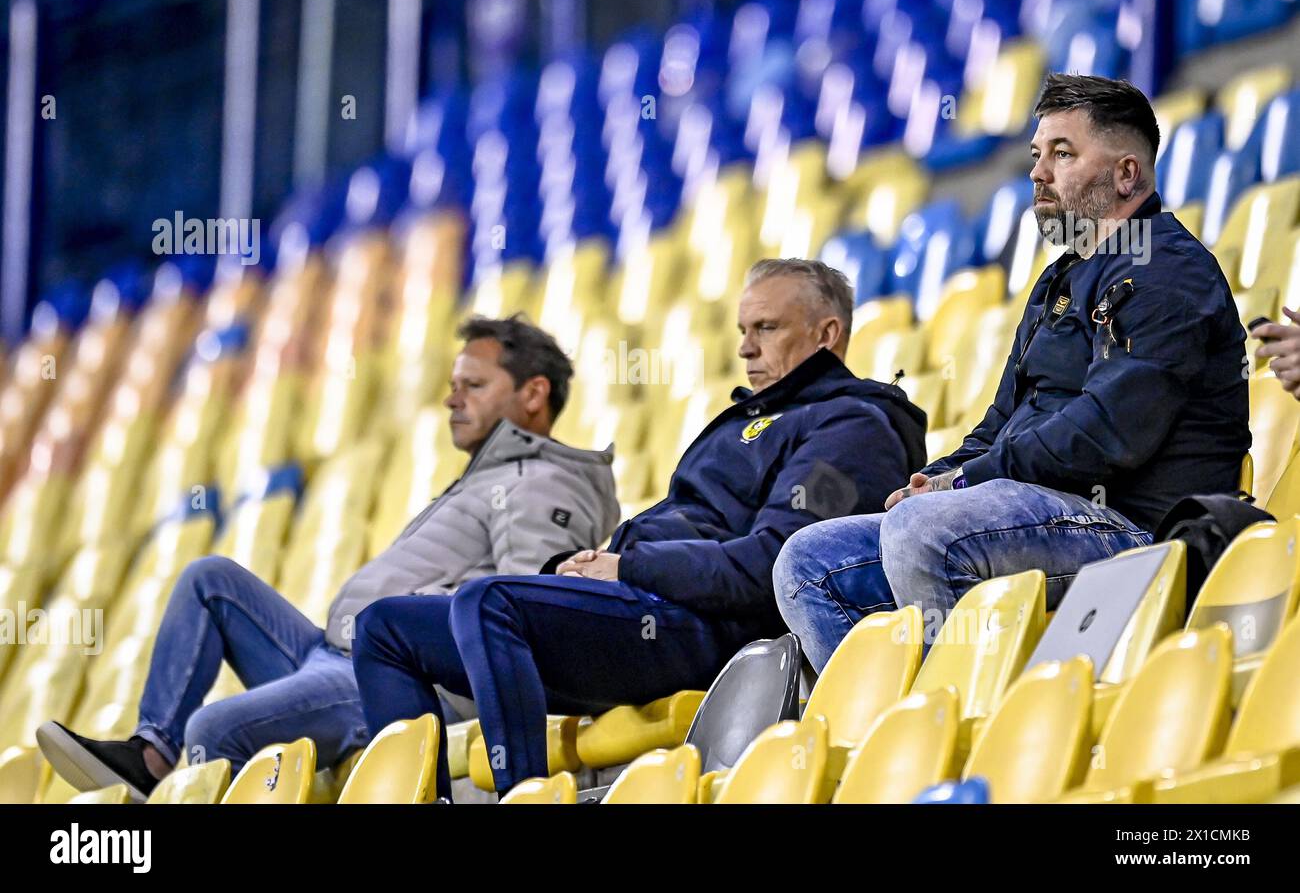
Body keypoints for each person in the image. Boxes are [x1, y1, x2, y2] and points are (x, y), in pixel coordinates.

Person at [350, 258, 928, 797]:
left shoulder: (855, 427)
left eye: (767, 328)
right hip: (642, 605)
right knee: (384, 627)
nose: (746, 348)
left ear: (827, 334)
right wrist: (587, 565)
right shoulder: (753, 417)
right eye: (742, 329)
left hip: (706, 628)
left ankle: (523, 799)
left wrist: (629, 566)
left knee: (489, 600)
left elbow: (771, 567)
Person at [774, 72, 1251, 672]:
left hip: (1136, 529)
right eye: (1036, 155)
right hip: (1034, 511)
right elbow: (1003, 419)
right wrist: (939, 475)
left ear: (1127, 174)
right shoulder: (1059, 279)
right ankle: (882, 742)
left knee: (921, 534)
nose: (1038, 173)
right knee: (807, 562)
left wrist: (968, 481)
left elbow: (1107, 432)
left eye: (1062, 154)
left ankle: (956, 733)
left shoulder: (1167, 272)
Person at [37, 315, 619, 800]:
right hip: (334, 655)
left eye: (474, 384)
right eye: (453, 383)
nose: (452, 398)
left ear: (533, 393)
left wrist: (415, 631)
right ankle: (151, 755)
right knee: (210, 581)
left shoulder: (543, 482)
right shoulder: (493, 476)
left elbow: (528, 611)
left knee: (215, 727)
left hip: (398, 680)